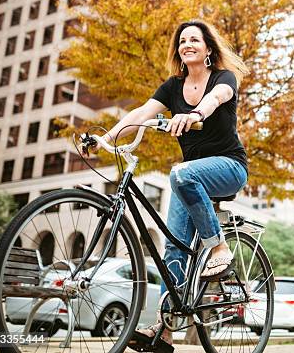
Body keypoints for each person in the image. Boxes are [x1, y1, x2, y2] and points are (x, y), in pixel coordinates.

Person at [92, 19, 249, 345]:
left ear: (207, 48)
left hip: (229, 168)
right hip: (189, 179)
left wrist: (196, 114)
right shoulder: (173, 86)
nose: (187, 44)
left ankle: (218, 246)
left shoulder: (223, 78)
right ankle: (163, 332)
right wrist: (104, 139)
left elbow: (218, 97)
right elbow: (140, 113)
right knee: (173, 248)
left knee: (180, 171)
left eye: (194, 39)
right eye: (182, 41)